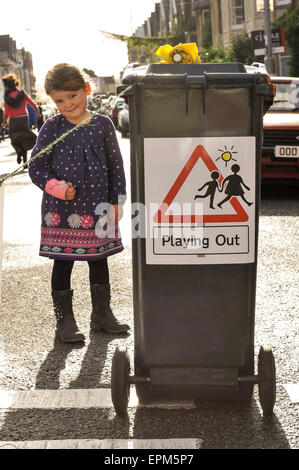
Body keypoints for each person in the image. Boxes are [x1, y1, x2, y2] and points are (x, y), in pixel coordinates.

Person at [28, 63, 129, 343]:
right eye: (59, 100)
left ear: (86, 90)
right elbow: (36, 167)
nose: (67, 104)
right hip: (62, 212)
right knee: (63, 262)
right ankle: (65, 322)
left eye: (72, 96)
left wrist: (117, 201)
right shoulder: (52, 127)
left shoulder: (103, 124)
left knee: (99, 260)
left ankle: (102, 314)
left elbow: (115, 165)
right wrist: (56, 188)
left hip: (98, 208)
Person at [1, 73, 40, 167]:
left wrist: (4, 122)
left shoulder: (7, 96)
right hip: (23, 118)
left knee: (14, 138)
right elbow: (31, 102)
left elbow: (6, 111)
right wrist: (37, 111)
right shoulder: (21, 93)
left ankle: (18, 151)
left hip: (13, 120)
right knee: (25, 137)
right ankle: (25, 161)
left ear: (7, 85)